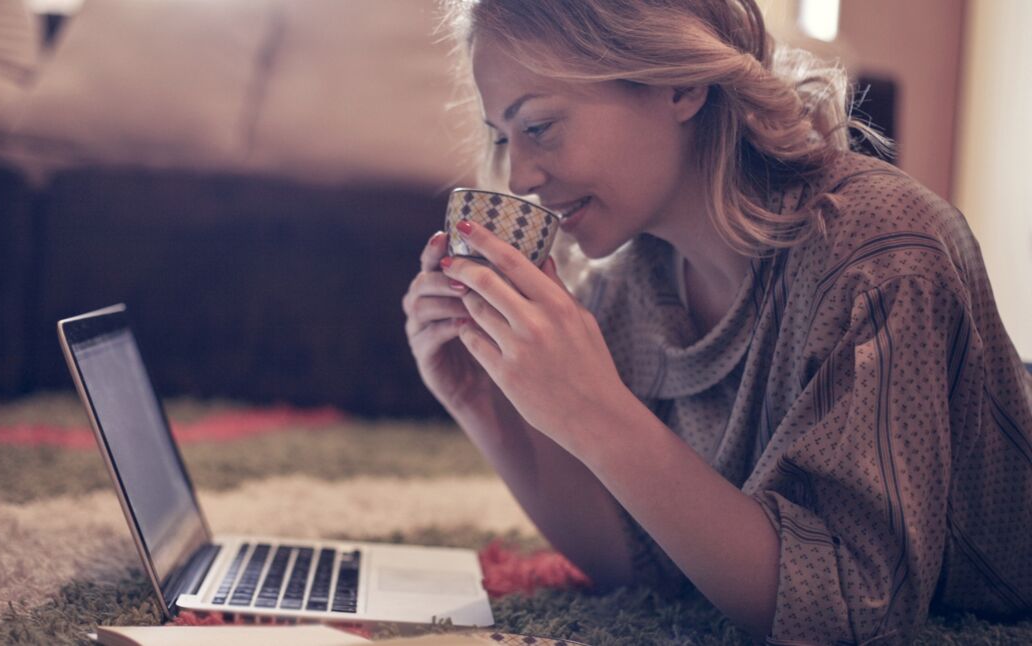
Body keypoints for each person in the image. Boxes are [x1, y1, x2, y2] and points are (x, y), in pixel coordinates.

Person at [401, 0, 1032, 642]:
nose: (520, 177)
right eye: (502, 137)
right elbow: (647, 562)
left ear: (680, 83)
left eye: (538, 126)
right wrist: (478, 400)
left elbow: (853, 613)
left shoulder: (881, 255)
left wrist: (596, 411)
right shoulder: (631, 283)